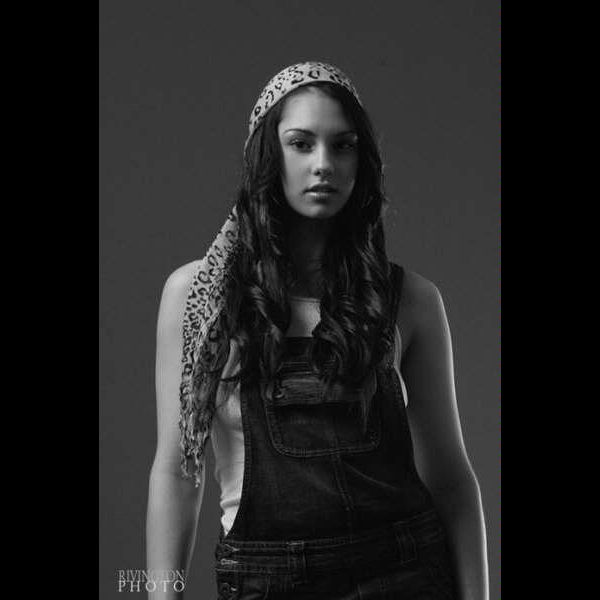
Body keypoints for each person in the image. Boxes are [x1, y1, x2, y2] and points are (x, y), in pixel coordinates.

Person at [146, 61, 489, 600]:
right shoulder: (201, 297)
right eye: (301, 144)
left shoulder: (412, 302)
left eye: (343, 146)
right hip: (266, 581)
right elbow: (176, 473)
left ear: (361, 161)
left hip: (406, 574)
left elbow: (451, 481)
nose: (324, 164)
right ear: (267, 154)